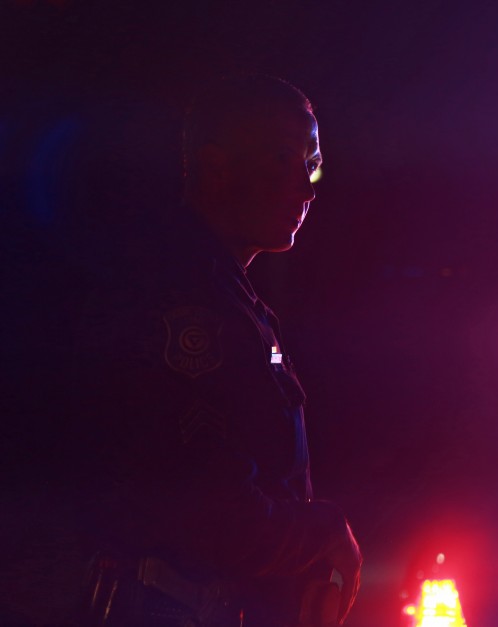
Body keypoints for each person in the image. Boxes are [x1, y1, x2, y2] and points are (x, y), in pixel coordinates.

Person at [67, 74, 362, 626]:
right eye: (282, 159)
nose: (306, 188)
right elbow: (206, 510)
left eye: (311, 163)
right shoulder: (178, 297)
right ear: (216, 168)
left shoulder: (227, 296)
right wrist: (323, 534)